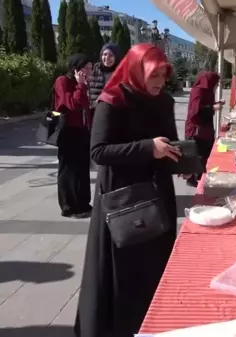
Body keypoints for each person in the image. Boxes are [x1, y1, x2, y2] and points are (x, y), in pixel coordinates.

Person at [75, 43, 182, 337]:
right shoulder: (112, 100)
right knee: (125, 274)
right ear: (137, 70)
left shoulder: (165, 101)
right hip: (124, 200)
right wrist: (149, 148)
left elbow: (168, 145)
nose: (160, 81)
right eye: (154, 75)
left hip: (158, 196)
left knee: (155, 270)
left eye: (163, 74)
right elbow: (99, 152)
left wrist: (184, 161)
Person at [55, 53, 93, 219]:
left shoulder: (84, 83)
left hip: (82, 130)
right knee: (69, 170)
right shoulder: (62, 81)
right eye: (87, 68)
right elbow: (72, 104)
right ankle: (68, 206)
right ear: (76, 69)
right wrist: (80, 86)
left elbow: (85, 107)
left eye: (91, 69)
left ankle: (83, 203)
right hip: (68, 131)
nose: (90, 72)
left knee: (82, 169)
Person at [185, 71, 223, 187]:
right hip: (196, 129)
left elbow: (204, 105)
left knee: (204, 153)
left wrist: (216, 104)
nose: (217, 85)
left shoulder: (208, 91)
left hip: (204, 128)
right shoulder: (198, 90)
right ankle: (192, 178)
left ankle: (199, 176)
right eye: (216, 83)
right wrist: (213, 107)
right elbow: (195, 112)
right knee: (196, 153)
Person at [88, 43, 122, 111]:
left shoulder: (121, 72)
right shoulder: (94, 70)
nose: (107, 58)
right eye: (105, 54)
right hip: (95, 110)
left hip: (115, 111)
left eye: (111, 55)